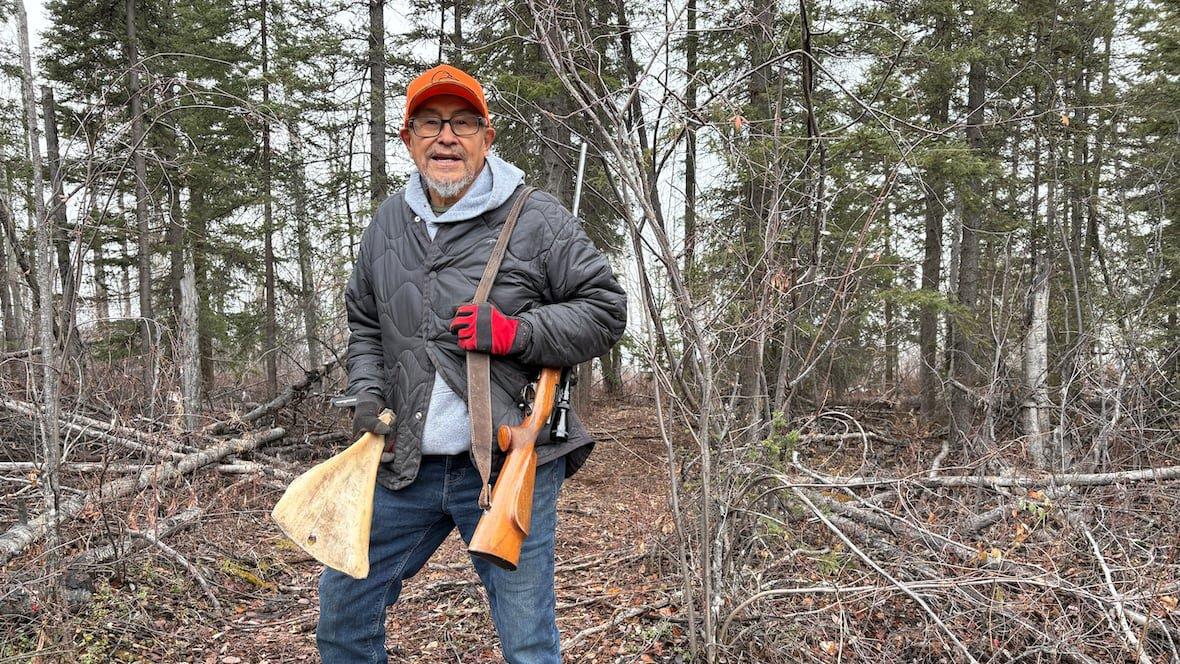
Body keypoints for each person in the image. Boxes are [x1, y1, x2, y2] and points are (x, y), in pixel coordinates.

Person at [316, 63, 628, 663]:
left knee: (528, 642)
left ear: (488, 137)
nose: (446, 138)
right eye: (429, 123)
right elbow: (364, 321)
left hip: (505, 466)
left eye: (462, 123)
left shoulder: (536, 217)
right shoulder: (388, 223)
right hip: (403, 466)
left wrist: (516, 332)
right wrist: (366, 390)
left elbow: (605, 309)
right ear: (408, 140)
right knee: (344, 613)